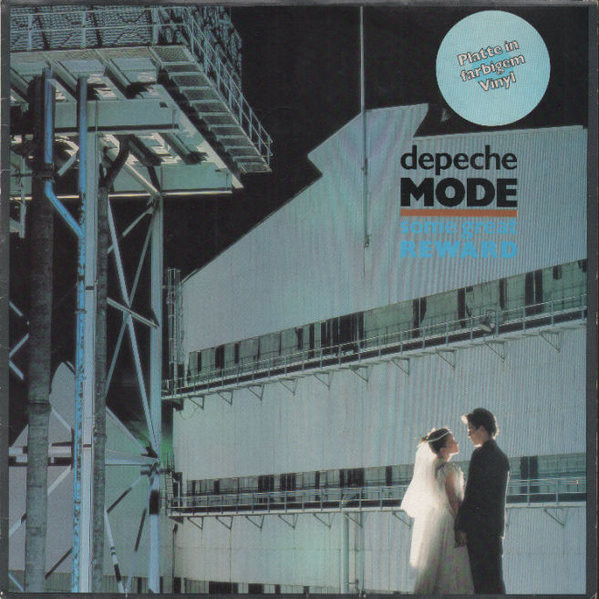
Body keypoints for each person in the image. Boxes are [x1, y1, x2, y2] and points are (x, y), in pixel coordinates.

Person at [401, 428, 474, 594]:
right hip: (449, 519)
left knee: (436, 565)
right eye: (452, 441)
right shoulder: (449, 469)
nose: (457, 442)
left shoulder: (432, 468)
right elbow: (453, 501)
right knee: (451, 563)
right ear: (443, 449)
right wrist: (460, 528)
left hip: (435, 519)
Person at [455, 408, 510, 594]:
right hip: (494, 530)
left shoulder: (479, 455)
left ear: (482, 429)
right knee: (495, 580)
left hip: (477, 530)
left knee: (479, 582)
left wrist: (461, 526)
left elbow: (472, 494)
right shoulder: (502, 458)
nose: (468, 434)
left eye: (470, 429)